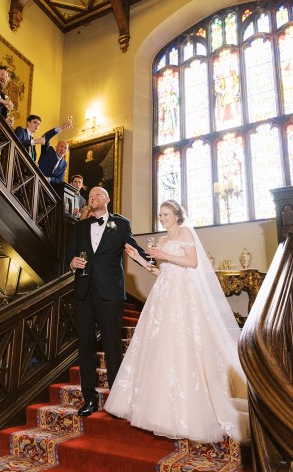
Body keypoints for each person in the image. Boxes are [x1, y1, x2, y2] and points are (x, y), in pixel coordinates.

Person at [104, 199, 249, 444]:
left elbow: (192, 262)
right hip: (163, 294)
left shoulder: (185, 232)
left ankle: (188, 413)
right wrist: (139, 259)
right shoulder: (161, 241)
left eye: (167, 213)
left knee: (182, 347)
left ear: (177, 215)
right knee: (161, 347)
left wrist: (162, 255)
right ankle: (159, 409)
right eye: (160, 214)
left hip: (183, 295)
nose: (163, 218)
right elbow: (161, 271)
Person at [68, 187, 146, 417]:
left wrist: (157, 261)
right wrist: (72, 262)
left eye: (97, 195)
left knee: (112, 347)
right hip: (84, 292)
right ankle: (89, 399)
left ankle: (117, 400)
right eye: (90, 196)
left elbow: (134, 249)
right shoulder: (80, 227)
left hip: (110, 294)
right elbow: (70, 253)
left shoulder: (120, 224)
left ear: (108, 199)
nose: (92, 198)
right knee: (85, 347)